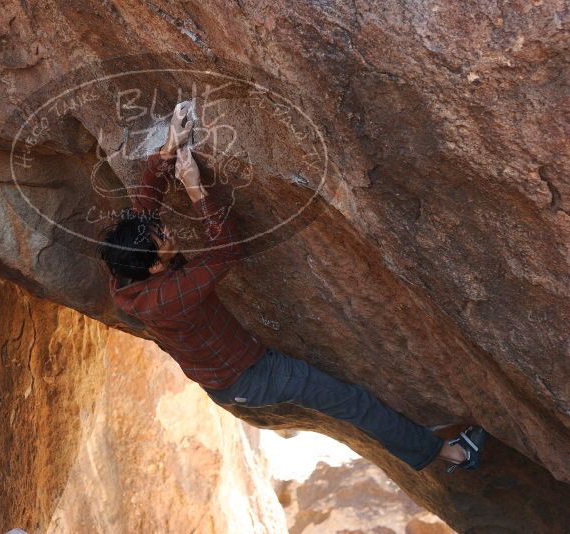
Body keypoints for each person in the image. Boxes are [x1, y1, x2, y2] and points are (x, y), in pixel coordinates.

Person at [99, 102, 487, 473]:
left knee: (346, 401)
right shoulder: (166, 299)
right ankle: (452, 453)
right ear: (154, 266)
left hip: (226, 368)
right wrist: (196, 189)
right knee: (349, 401)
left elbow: (144, 206)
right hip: (250, 376)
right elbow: (226, 251)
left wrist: (169, 150)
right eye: (162, 238)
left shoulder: (128, 269)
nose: (166, 231)